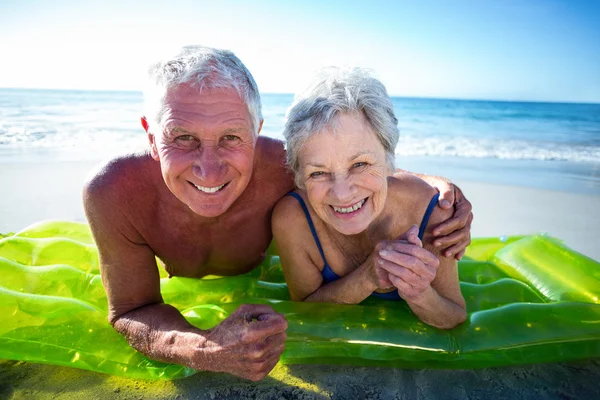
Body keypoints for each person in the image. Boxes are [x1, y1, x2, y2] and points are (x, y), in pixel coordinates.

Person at [83, 45, 473, 381]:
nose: (209, 168)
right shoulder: (114, 193)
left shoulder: (281, 170)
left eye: (232, 137)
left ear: (257, 132)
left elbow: (350, 162)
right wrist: (204, 347)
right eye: (181, 137)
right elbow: (131, 309)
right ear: (150, 135)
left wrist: (442, 190)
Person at [272, 67, 467, 329]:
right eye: (318, 172)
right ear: (299, 176)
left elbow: (454, 314)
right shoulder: (293, 219)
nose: (342, 193)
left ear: (389, 160)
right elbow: (305, 314)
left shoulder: (427, 208)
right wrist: (367, 278)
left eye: (360, 164)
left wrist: (420, 294)